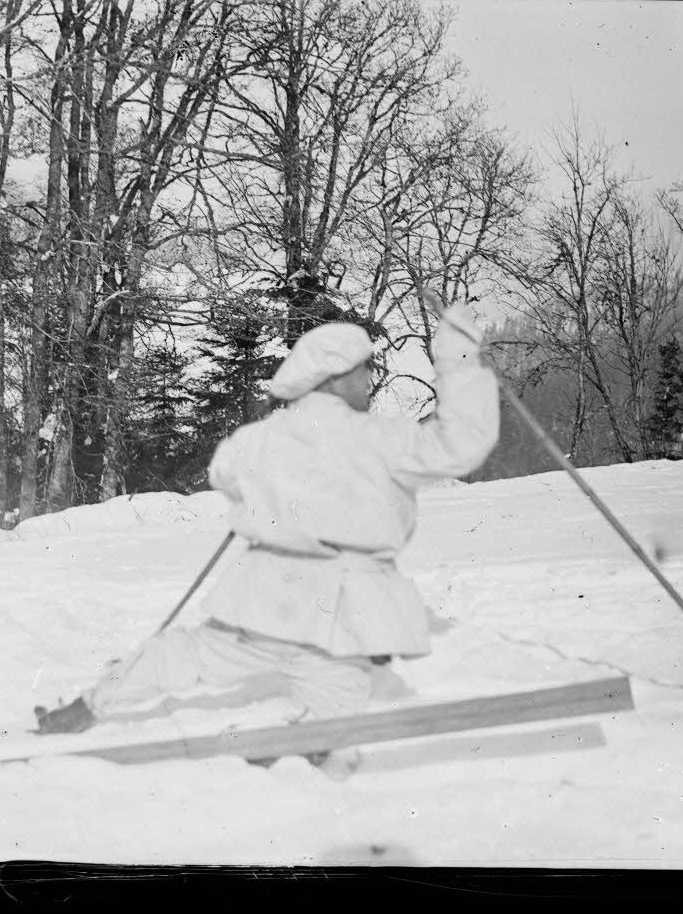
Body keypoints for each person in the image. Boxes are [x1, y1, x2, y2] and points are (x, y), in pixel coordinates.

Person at [34, 303, 499, 735]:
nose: (369, 381)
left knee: (184, 655)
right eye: (364, 371)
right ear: (335, 377)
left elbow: (224, 474)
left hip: (265, 601)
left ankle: (91, 705)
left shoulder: (258, 439)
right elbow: (463, 444)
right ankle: (321, 748)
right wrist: (459, 356)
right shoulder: (384, 437)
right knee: (339, 702)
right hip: (343, 614)